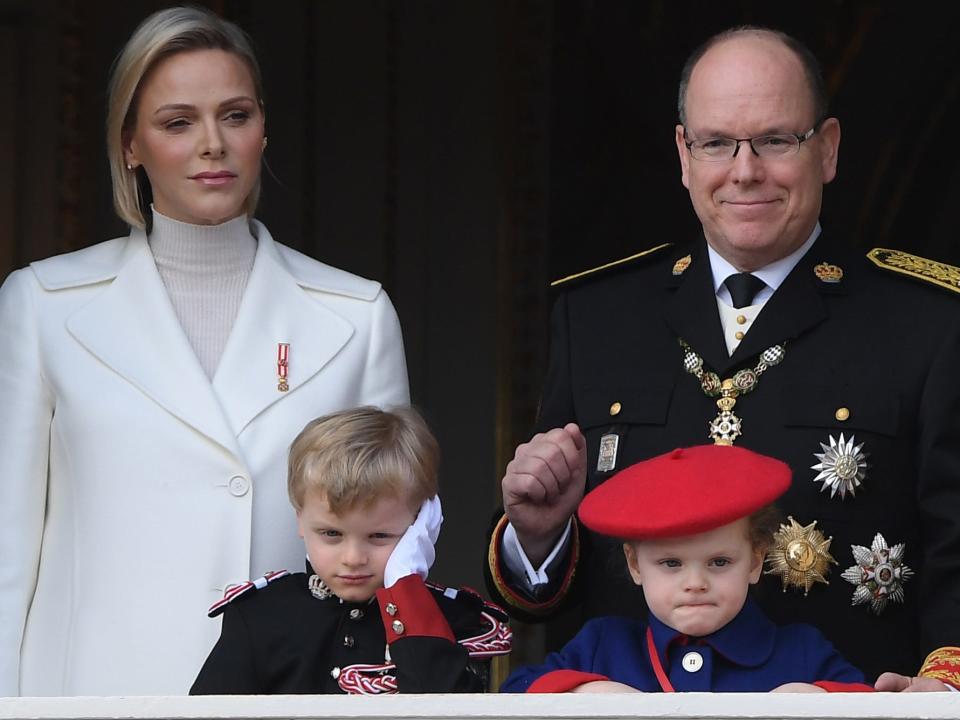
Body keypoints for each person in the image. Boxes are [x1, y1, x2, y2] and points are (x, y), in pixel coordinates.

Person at [485, 26, 960, 691]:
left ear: (826, 149)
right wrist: (538, 536)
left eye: (774, 140)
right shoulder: (597, 317)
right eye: (716, 143)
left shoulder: (928, 322)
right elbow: (541, 597)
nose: (745, 170)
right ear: (684, 153)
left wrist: (945, 683)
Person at [0, 7, 409, 697]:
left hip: (289, 696)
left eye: (235, 115)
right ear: (130, 143)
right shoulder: (44, 304)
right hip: (95, 694)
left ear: (263, 130)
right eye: (177, 122)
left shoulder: (356, 316)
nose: (212, 144)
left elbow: (396, 548)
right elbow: (9, 551)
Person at [190, 406, 511, 694]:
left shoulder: (452, 620)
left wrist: (405, 591)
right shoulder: (261, 615)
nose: (353, 558)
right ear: (300, 519)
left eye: (379, 536)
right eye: (331, 533)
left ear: (422, 525)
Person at [502, 445, 872, 693]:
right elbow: (512, 694)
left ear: (756, 560)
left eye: (719, 562)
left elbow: (875, 708)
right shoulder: (603, 645)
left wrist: (817, 698)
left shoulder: (802, 651)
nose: (695, 583)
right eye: (671, 563)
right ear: (635, 565)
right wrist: (581, 690)